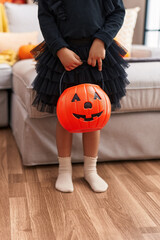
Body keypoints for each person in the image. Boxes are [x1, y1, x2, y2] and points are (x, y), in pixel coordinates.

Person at [31, 0, 130, 193]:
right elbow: (46, 19)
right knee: (65, 113)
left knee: (95, 112)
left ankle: (90, 170)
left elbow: (118, 13)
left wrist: (102, 41)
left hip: (97, 54)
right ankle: (64, 170)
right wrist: (60, 49)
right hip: (63, 55)